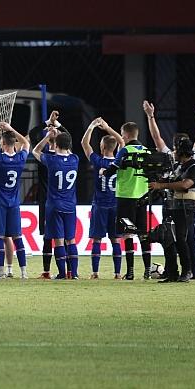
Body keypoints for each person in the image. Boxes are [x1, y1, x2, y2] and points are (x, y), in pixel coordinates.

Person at [148, 133, 195, 284]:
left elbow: (185, 185)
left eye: (176, 150)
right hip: (173, 206)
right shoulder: (179, 167)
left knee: (181, 239)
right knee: (168, 239)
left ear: (181, 152)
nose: (173, 152)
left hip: (187, 208)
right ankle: (172, 273)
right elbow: (172, 181)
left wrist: (161, 185)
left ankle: (187, 270)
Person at [31, 113, 81, 280]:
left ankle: (61, 273)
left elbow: (35, 151)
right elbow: (68, 143)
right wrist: (58, 128)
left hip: (54, 205)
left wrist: (47, 137)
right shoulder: (75, 159)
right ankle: (73, 274)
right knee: (71, 240)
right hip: (70, 206)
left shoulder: (51, 160)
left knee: (58, 241)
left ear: (56, 144)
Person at [110, 105, 156, 280]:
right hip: (143, 197)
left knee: (128, 233)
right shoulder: (145, 151)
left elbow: (113, 168)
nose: (121, 137)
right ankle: (147, 271)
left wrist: (102, 172)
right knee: (143, 234)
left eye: (122, 134)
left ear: (127, 135)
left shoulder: (124, 150)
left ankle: (129, 272)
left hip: (126, 196)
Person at [0, 120, 32, 279]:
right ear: (14, 144)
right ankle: (24, 272)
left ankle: (0, 272)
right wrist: (11, 128)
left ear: (2, 143)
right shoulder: (21, 158)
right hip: (14, 203)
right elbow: (25, 142)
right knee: (17, 237)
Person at [82, 118, 123, 280]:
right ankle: (118, 273)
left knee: (97, 240)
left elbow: (85, 144)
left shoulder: (98, 161)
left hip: (99, 205)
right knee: (116, 240)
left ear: (102, 146)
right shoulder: (120, 160)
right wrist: (108, 128)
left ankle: (95, 273)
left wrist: (91, 126)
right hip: (115, 205)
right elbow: (121, 141)